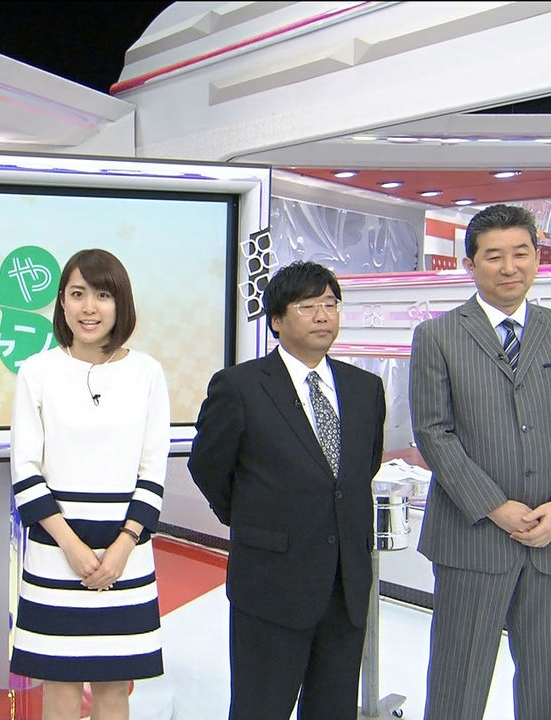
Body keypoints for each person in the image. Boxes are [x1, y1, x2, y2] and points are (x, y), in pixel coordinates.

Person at [410, 204, 551, 720]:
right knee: (458, 679)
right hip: (471, 535)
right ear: (470, 264)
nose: (509, 267)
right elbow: (434, 433)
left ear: (537, 258)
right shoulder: (438, 336)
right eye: (494, 256)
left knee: (543, 679)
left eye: (521, 253)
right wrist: (495, 507)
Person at [189, 260, 386, 720]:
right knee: (262, 708)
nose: (322, 315)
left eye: (330, 304)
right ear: (277, 320)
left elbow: (361, 469)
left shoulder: (365, 389)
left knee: (334, 708)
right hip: (271, 581)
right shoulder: (240, 386)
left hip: (345, 585)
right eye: (307, 306)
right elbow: (208, 466)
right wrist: (252, 518)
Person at [10, 248, 169, 720]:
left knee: (114, 687)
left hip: (127, 553)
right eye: (77, 294)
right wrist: (71, 547)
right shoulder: (36, 371)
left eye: (102, 295)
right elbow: (26, 467)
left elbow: (153, 469)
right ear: (62, 302)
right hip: (55, 551)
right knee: (59, 686)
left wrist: (122, 547)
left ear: (121, 303)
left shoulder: (147, 372)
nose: (89, 307)